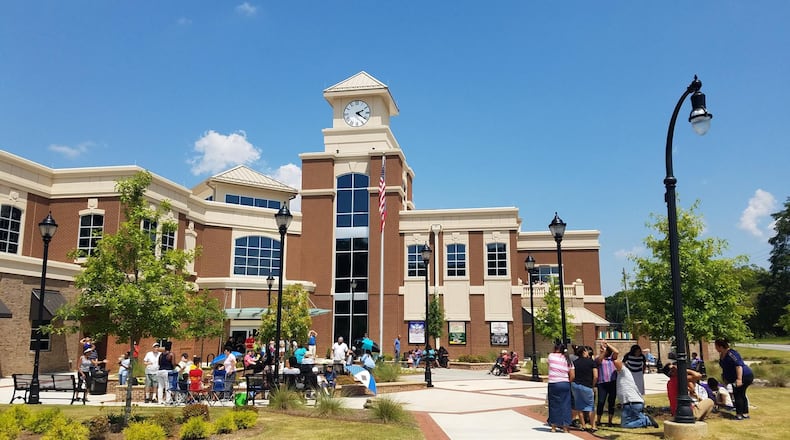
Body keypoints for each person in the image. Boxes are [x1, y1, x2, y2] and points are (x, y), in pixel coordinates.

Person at [614, 353, 659, 428]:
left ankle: (645, 420)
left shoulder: (624, 371)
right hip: (634, 403)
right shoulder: (624, 374)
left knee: (625, 425)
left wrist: (607, 348)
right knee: (632, 418)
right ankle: (642, 417)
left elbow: (615, 361)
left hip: (631, 403)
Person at [715, 338, 754, 420]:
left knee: (738, 394)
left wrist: (739, 379)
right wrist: (725, 378)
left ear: (721, 347)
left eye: (716, 346)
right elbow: (725, 368)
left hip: (744, 376)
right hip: (733, 378)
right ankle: (744, 413)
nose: (716, 348)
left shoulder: (732, 354)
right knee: (741, 394)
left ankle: (740, 414)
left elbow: (738, 366)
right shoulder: (722, 355)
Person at [547, 343, 575, 433]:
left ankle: (554, 426)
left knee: (554, 405)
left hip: (553, 383)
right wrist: (568, 381)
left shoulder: (551, 356)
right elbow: (572, 375)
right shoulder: (568, 359)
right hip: (564, 382)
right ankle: (566, 427)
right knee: (566, 404)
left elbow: (549, 365)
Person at [572, 345, 598, 432]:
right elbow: (595, 376)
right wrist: (593, 385)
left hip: (576, 385)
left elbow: (573, 375)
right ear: (584, 352)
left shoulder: (575, 362)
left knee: (579, 406)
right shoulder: (591, 362)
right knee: (590, 406)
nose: (588, 353)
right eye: (586, 351)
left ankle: (583, 425)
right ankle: (593, 426)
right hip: (587, 385)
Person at [595, 341, 618, 427]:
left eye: (603, 349)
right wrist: (603, 350)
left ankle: (610, 421)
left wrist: (607, 344)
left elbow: (616, 352)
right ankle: (598, 420)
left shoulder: (612, 358)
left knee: (611, 402)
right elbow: (599, 360)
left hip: (612, 382)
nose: (601, 350)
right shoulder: (598, 358)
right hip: (602, 383)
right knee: (601, 402)